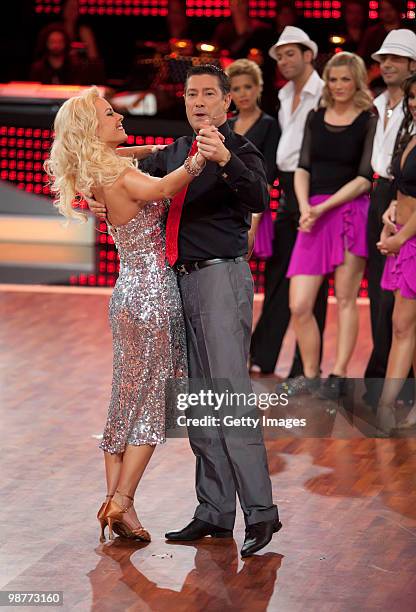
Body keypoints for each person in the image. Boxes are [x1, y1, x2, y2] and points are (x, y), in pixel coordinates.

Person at [89, 65, 281, 558]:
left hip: (220, 279)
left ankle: (260, 512)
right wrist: (93, 195)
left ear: (226, 104)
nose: (198, 101)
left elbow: (260, 196)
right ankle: (214, 511)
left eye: (208, 94)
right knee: (196, 401)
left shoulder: (238, 148)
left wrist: (226, 164)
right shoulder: (176, 152)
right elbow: (123, 174)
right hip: (177, 284)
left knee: (230, 398)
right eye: (191, 93)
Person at [44, 86, 208, 542]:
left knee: (124, 400)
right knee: (154, 402)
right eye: (109, 113)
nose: (119, 116)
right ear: (91, 129)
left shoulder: (98, 168)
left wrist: (154, 147)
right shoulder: (117, 174)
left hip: (125, 296)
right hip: (154, 294)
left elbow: (130, 157)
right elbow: (161, 187)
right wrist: (197, 160)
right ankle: (124, 500)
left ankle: (117, 507)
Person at [284, 52, 377, 399]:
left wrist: (326, 207)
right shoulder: (315, 116)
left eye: (345, 79)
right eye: (333, 79)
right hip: (313, 214)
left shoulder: (368, 119)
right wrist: (307, 206)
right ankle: (310, 375)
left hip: (350, 210)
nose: (338, 86)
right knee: (300, 304)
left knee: (347, 299)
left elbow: (365, 177)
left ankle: (338, 376)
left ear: (357, 81)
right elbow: (303, 166)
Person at [249, 26, 328, 377]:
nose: (283, 60)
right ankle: (263, 356)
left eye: (290, 53)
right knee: (279, 275)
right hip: (287, 190)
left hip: (315, 189)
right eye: (279, 55)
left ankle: (304, 367)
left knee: (313, 285)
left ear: (309, 54)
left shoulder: (325, 93)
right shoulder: (283, 96)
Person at [364, 30, 416, 401]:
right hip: (383, 196)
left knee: (401, 309)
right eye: (384, 58)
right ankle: (382, 380)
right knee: (381, 294)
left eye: (396, 58)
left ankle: (391, 389)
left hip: (404, 200)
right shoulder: (377, 104)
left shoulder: (409, 112)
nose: (388, 64)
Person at [376, 73, 416, 433]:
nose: (415, 103)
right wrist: (392, 208)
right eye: (413, 97)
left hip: (411, 241)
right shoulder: (410, 133)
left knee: (403, 327)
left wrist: (400, 239)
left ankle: (386, 409)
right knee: (407, 327)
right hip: (404, 236)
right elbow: (404, 187)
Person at [226, 59, 279, 253]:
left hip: (253, 207)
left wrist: (253, 222)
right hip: (224, 205)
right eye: (236, 88)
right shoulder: (226, 125)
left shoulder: (270, 125)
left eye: (248, 86)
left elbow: (268, 175)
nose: (243, 93)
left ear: (259, 88)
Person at [358, 0, 402, 66]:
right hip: (376, 72)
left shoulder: (406, 32)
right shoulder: (371, 33)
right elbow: (362, 56)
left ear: (397, 10)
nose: (387, 13)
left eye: (390, 9)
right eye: (383, 10)